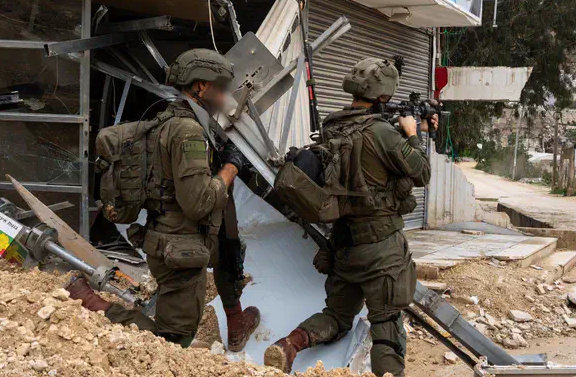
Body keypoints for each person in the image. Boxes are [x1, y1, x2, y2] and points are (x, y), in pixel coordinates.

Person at [67, 48, 260, 351]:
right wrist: (230, 168)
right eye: (220, 89)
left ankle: (234, 320)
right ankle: (95, 304)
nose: (225, 97)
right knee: (173, 338)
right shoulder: (189, 131)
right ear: (200, 87)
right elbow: (198, 201)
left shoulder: (167, 120)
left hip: (165, 237)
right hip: (180, 244)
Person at [264, 57, 436, 377]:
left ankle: (289, 344)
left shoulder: (333, 125)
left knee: (338, 317)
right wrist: (413, 134)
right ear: (383, 95)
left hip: (343, 244)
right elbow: (421, 172)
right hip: (382, 246)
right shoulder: (383, 132)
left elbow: (364, 153)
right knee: (386, 323)